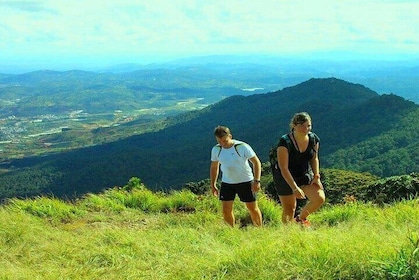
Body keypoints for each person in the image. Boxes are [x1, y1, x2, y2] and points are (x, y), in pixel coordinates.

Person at [272, 112, 325, 227]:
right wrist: (295, 188)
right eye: (302, 125)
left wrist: (317, 176)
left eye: (308, 126)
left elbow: (314, 158)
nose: (305, 129)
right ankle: (287, 233)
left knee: (319, 198)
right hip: (285, 176)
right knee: (289, 209)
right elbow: (283, 168)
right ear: (294, 126)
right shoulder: (285, 142)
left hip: (303, 173)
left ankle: (300, 219)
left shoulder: (314, 139)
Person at [210, 125, 263, 227]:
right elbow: (214, 167)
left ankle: (260, 230)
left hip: (246, 181)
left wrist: (257, 181)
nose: (222, 144)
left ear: (230, 136)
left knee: (252, 208)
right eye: (219, 142)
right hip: (227, 183)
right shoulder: (216, 149)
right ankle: (230, 232)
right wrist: (213, 184)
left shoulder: (242, 147)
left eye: (225, 141)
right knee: (226, 210)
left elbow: (256, 163)